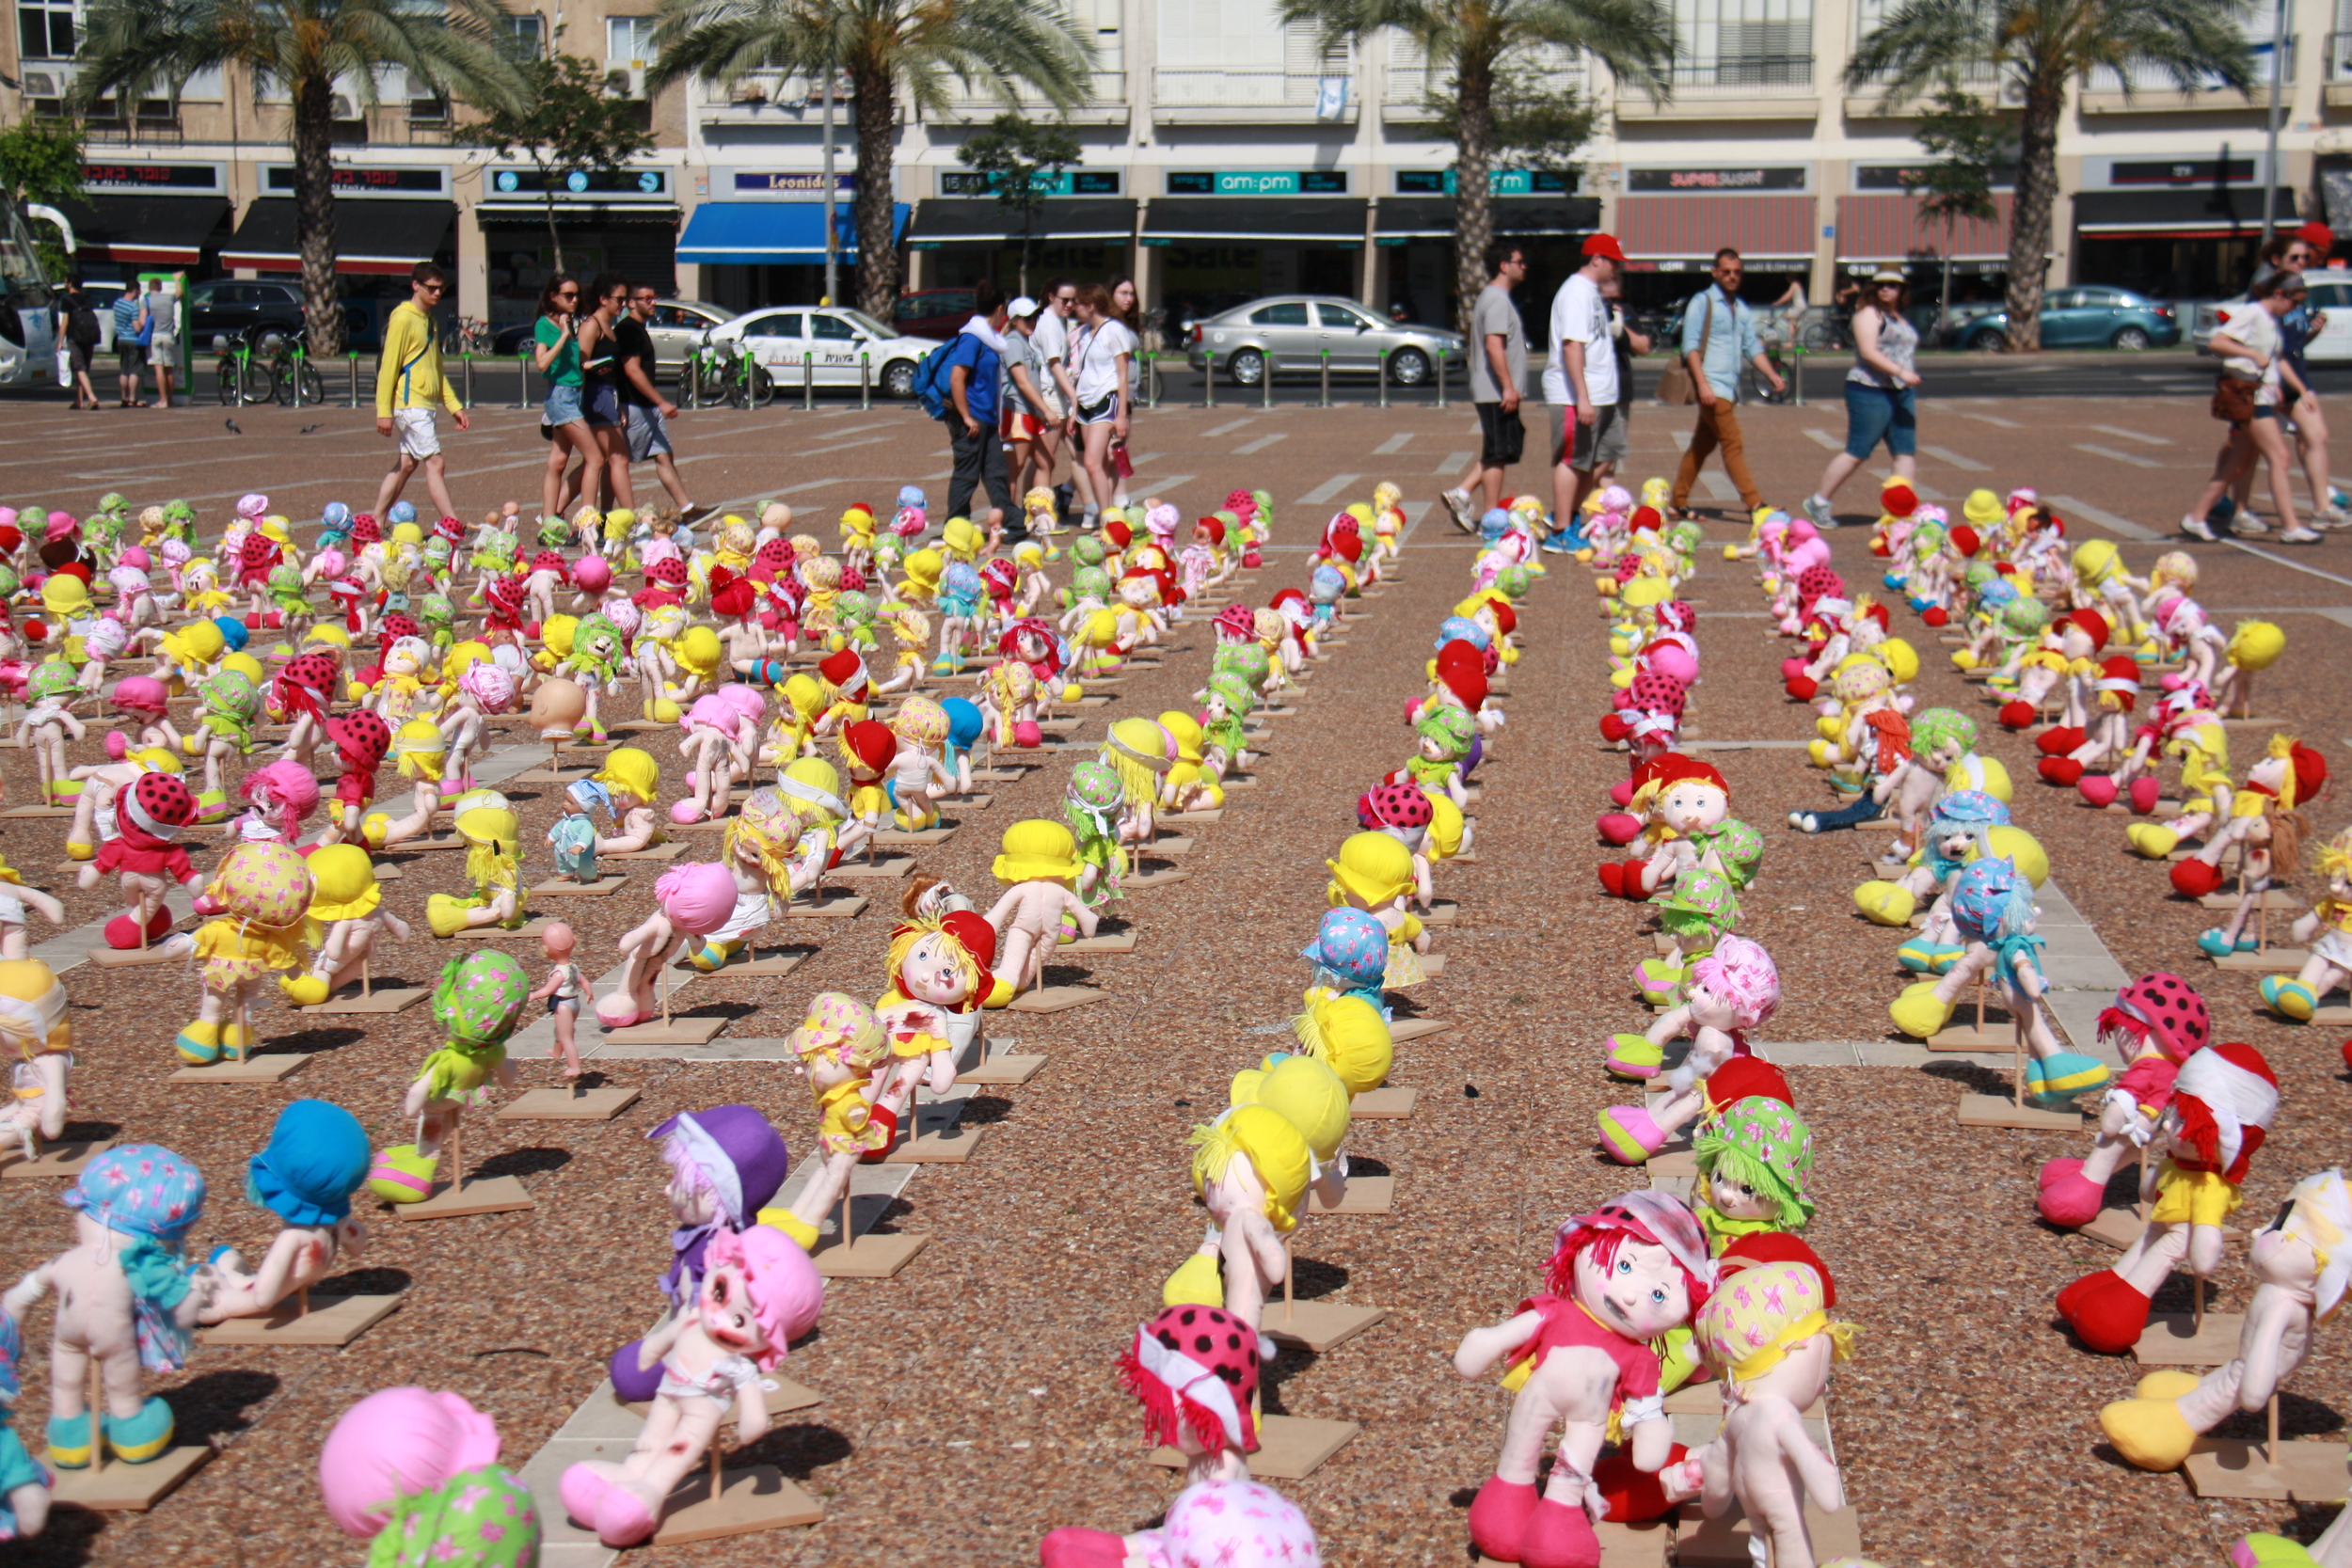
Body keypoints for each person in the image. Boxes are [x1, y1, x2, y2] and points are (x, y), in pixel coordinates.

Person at [2185, 269, 2319, 544]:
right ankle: (2291, 526)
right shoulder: (2254, 313)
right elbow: (2218, 341)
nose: (2295, 308)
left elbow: (2278, 359)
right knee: (2279, 457)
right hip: (2251, 396)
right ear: (2280, 294)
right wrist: (2250, 353)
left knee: (2238, 463)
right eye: (2294, 302)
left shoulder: (2270, 318)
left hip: (2264, 396)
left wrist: (2302, 391)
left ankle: (2197, 517)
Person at [2238, 223, 2344, 529]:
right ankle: (2234, 509)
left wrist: (2311, 330)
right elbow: (2264, 336)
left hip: (2293, 370)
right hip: (2272, 376)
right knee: (2248, 447)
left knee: (2315, 434)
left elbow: (2292, 334)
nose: (2306, 261)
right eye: (2299, 257)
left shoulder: (2295, 282)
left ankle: (2322, 508)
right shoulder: (2268, 285)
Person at [1668, 247, 1787, 520]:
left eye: (1737, 272)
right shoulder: (1703, 302)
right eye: (1726, 272)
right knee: (1732, 443)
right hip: (1713, 387)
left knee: (1701, 445)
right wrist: (1703, 386)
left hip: (1729, 389)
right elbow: (1691, 348)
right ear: (1715, 272)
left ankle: (1677, 501)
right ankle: (1755, 504)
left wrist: (1772, 375)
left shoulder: (1740, 307)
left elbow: (1751, 346)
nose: (1732, 277)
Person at [1803, 269, 1922, 529]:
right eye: (1880, 285)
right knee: (1858, 450)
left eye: (1892, 285)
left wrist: (1903, 378)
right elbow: (1868, 352)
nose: (1886, 290)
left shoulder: (1898, 317)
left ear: (1902, 290)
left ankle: (1901, 511)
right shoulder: (1868, 315)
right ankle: (1819, 501)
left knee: (1905, 451)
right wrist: (1900, 371)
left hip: (1900, 390)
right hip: (1870, 388)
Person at [373, 261, 470, 522]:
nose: (437, 293)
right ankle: (453, 525)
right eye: (431, 288)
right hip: (409, 404)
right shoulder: (403, 317)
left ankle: (375, 521)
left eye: (441, 289)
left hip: (424, 403)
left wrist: (453, 406)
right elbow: (388, 366)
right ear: (415, 285)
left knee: (406, 465)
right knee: (435, 463)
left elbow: (436, 368)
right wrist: (383, 411)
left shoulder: (430, 321)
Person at [1444, 241, 1530, 531]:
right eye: (1520, 262)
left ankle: (1462, 493)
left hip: (1495, 390)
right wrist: (1508, 386)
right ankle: (1492, 517)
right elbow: (1495, 345)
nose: (1524, 267)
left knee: (1502, 448)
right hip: (1495, 391)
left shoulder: (1493, 297)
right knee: (1497, 452)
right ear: (1504, 266)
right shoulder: (1496, 299)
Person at [1547, 232, 1626, 523]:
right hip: (1577, 395)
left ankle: (1565, 514)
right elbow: (1572, 346)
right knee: (1573, 460)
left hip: (1603, 393)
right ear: (1596, 259)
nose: (1616, 269)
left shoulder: (1592, 292)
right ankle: (1561, 529)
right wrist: (1582, 397)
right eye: (1613, 262)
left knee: (1607, 456)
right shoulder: (1576, 292)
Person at [939, 278, 1013, 535]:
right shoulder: (972, 337)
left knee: (996, 472)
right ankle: (956, 525)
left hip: (989, 418)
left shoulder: (991, 338)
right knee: (967, 474)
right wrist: (966, 416)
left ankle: (1006, 522)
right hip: (971, 418)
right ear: (1000, 309)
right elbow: (957, 378)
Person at [616, 282, 697, 517]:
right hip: (634, 404)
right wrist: (660, 401)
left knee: (664, 455)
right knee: (616, 461)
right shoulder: (628, 330)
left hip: (647, 406)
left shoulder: (638, 328)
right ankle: (608, 515)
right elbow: (631, 369)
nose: (653, 303)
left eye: (654, 298)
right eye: (647, 299)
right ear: (631, 303)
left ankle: (687, 509)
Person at [1069, 281, 1136, 529]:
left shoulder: (1114, 330)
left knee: (1091, 462)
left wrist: (1121, 416)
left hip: (1105, 400)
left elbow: (1122, 373)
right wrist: (1074, 410)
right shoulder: (1085, 332)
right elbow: (1083, 372)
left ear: (1092, 306)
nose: (1075, 308)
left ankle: (1108, 522)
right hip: (1085, 402)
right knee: (1100, 466)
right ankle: (1109, 518)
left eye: (1079, 305)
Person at [532, 273, 598, 524]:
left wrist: (590, 366)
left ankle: (549, 521)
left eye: (576, 295)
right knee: (595, 457)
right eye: (568, 295)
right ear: (553, 297)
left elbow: (571, 365)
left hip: (574, 393)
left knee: (558, 461)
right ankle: (587, 523)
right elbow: (541, 363)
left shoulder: (568, 322)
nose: (574, 300)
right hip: (561, 396)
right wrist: (562, 334)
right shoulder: (545, 325)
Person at [575, 271, 634, 514]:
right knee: (618, 457)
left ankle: (602, 516)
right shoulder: (591, 326)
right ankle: (631, 518)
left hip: (608, 394)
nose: (623, 304)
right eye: (619, 299)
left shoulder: (609, 327)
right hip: (595, 394)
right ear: (603, 299)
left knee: (603, 460)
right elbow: (578, 365)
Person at [1020, 277, 1077, 504]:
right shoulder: (1049, 323)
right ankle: (1036, 511)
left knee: (1078, 456)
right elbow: (1055, 364)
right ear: (1051, 297)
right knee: (1045, 460)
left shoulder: (1054, 321)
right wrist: (1073, 394)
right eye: (1065, 299)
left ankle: (1034, 505)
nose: (1070, 304)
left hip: (1056, 394)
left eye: (1073, 300)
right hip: (1051, 395)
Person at [1000, 295, 1057, 524]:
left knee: (1046, 462)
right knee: (1014, 468)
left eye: (1034, 316)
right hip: (1017, 411)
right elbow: (1022, 381)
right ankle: (1007, 518)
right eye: (1026, 318)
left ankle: (1038, 513)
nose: (1031, 321)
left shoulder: (1024, 341)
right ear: (1014, 320)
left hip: (1030, 412)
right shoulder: (1013, 342)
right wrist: (1046, 410)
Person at [1105, 275, 1140, 507]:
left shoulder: (1125, 323)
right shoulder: (1112, 325)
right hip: (1114, 396)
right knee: (1113, 450)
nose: (1128, 298)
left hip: (1128, 396)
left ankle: (1119, 497)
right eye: (1123, 293)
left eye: (1131, 293)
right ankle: (1112, 502)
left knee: (1119, 449)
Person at [57, 279, 99, 411]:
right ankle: (78, 400)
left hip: (75, 336)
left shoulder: (67, 300)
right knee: (83, 369)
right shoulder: (86, 298)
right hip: (90, 336)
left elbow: (65, 323)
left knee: (79, 368)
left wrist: (60, 342)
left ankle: (92, 398)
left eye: (66, 282)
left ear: (70, 283)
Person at [144, 277, 179, 409]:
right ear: (161, 287)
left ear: (149, 288)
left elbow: (143, 319)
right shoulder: (169, 298)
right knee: (169, 368)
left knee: (158, 368)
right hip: (169, 335)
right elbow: (179, 294)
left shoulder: (147, 300)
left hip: (155, 335)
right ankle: (170, 400)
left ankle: (162, 400)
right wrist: (177, 280)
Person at [112, 282, 148, 408]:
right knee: (134, 370)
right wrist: (143, 322)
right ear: (134, 290)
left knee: (124, 370)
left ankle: (124, 397)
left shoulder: (117, 303)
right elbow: (137, 327)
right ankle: (132, 398)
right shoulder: (133, 307)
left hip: (121, 338)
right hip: (132, 339)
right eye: (138, 291)